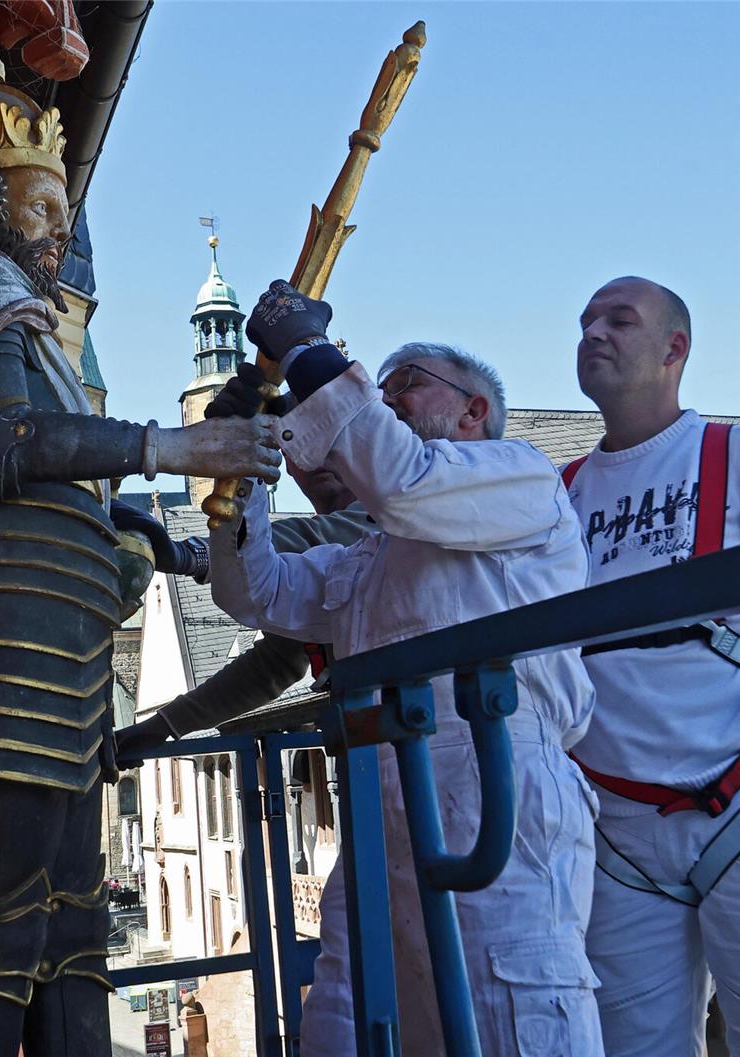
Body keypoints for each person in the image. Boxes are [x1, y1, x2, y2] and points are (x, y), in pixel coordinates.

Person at [0, 39, 279, 1057]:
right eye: (41, 207)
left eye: (61, 209)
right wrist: (164, 447)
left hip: (64, 647)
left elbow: (58, 487)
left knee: (70, 927)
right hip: (12, 641)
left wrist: (134, 537)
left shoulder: (30, 323)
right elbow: (3, 445)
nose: (56, 230)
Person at [208, 281, 605, 1057]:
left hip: (497, 802)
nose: (383, 398)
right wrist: (243, 469)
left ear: (473, 411)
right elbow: (254, 591)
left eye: (406, 383)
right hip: (378, 806)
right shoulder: (370, 556)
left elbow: (402, 481)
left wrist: (306, 349)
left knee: (508, 1019)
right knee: (349, 1027)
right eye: (377, 387)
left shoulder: (521, 479)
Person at [564, 276, 740, 1057]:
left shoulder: (733, 455)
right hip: (617, 833)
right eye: (586, 321)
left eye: (619, 320)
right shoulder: (556, 494)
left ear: (675, 348)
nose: (593, 332)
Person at [110, 424, 370, 758]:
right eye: (303, 442)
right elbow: (276, 662)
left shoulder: (394, 517)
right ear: (288, 463)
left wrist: (191, 556)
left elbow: (326, 540)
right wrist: (162, 725)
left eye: (334, 439)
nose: (319, 456)